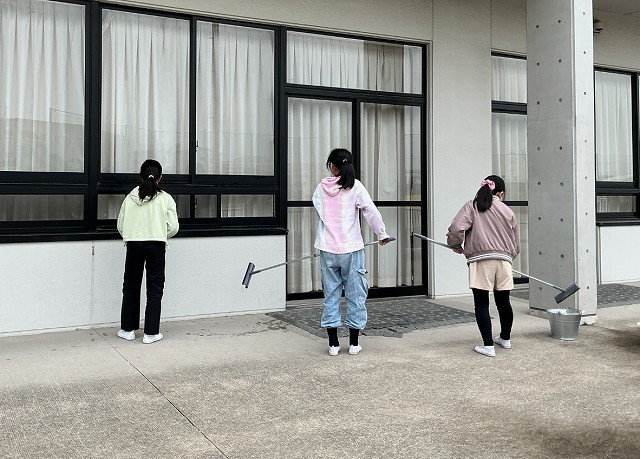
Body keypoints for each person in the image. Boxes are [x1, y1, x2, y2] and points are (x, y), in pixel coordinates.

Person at [312, 148, 392, 356]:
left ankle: (333, 345)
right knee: (356, 294)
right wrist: (381, 234)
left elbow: (319, 209)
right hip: (351, 249)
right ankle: (354, 344)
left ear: (332, 166)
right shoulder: (355, 186)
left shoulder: (321, 188)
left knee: (331, 295)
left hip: (328, 249)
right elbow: (370, 211)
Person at [446, 175, 520, 357]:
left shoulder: (472, 206)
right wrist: (509, 256)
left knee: (481, 304)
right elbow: (515, 242)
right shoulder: (508, 211)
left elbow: (456, 228)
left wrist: (455, 244)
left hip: (481, 260)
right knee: (504, 301)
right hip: (503, 260)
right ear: (500, 194)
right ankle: (505, 338)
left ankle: (488, 345)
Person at [116, 159, 179, 344]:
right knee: (155, 287)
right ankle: (151, 333)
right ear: (160, 178)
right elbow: (173, 227)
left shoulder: (130, 197)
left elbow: (120, 225)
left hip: (134, 244)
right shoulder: (166, 198)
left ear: (140, 176)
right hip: (156, 244)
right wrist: (160, 233)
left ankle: (127, 330)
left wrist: (132, 234)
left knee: (131, 285)